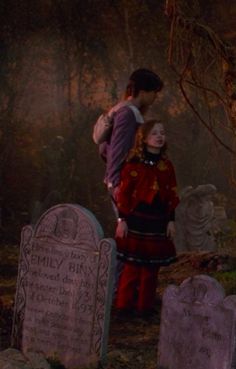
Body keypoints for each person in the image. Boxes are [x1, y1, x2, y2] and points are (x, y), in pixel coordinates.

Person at [114, 119, 179, 316]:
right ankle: (123, 308)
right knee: (132, 267)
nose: (159, 137)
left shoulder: (166, 166)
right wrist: (121, 220)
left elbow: (172, 194)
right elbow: (123, 195)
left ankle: (144, 308)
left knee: (151, 269)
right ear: (144, 138)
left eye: (162, 133)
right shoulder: (132, 164)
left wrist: (171, 220)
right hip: (135, 220)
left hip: (157, 221)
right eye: (154, 133)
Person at [102, 68, 164, 200]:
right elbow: (118, 148)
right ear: (142, 92)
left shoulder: (126, 111)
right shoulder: (128, 114)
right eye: (154, 92)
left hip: (129, 177)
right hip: (123, 181)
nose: (155, 96)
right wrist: (114, 182)